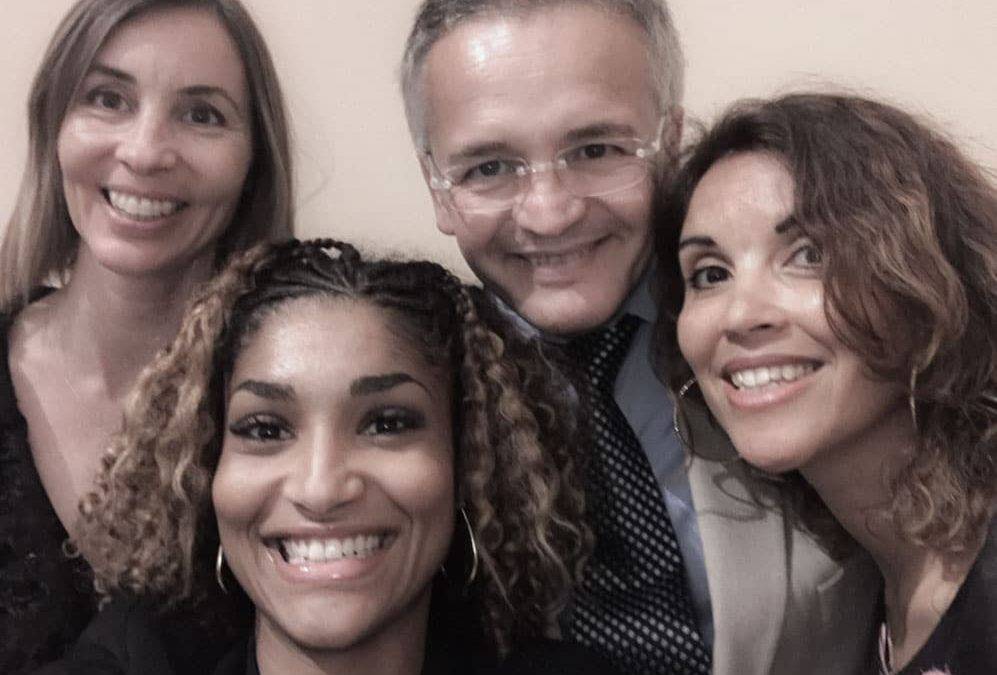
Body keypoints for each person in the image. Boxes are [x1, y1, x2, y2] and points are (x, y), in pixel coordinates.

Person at [400, 1, 878, 673]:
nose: (549, 213)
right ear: (436, 186)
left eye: (595, 150)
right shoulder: (399, 393)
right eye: (489, 168)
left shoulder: (803, 333)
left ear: (672, 142)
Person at [51, 238, 616, 675]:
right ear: (206, 471)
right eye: (266, 429)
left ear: (468, 463)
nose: (320, 488)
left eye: (387, 424)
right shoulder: (135, 658)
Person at [657, 93, 997, 674]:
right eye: (710, 275)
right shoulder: (868, 590)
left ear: (927, 281)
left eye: (807, 255)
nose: (741, 315)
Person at [0, 0, 292, 670]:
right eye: (107, 98)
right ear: (54, 124)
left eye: (201, 113)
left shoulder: (301, 402)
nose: (145, 151)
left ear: (253, 159)